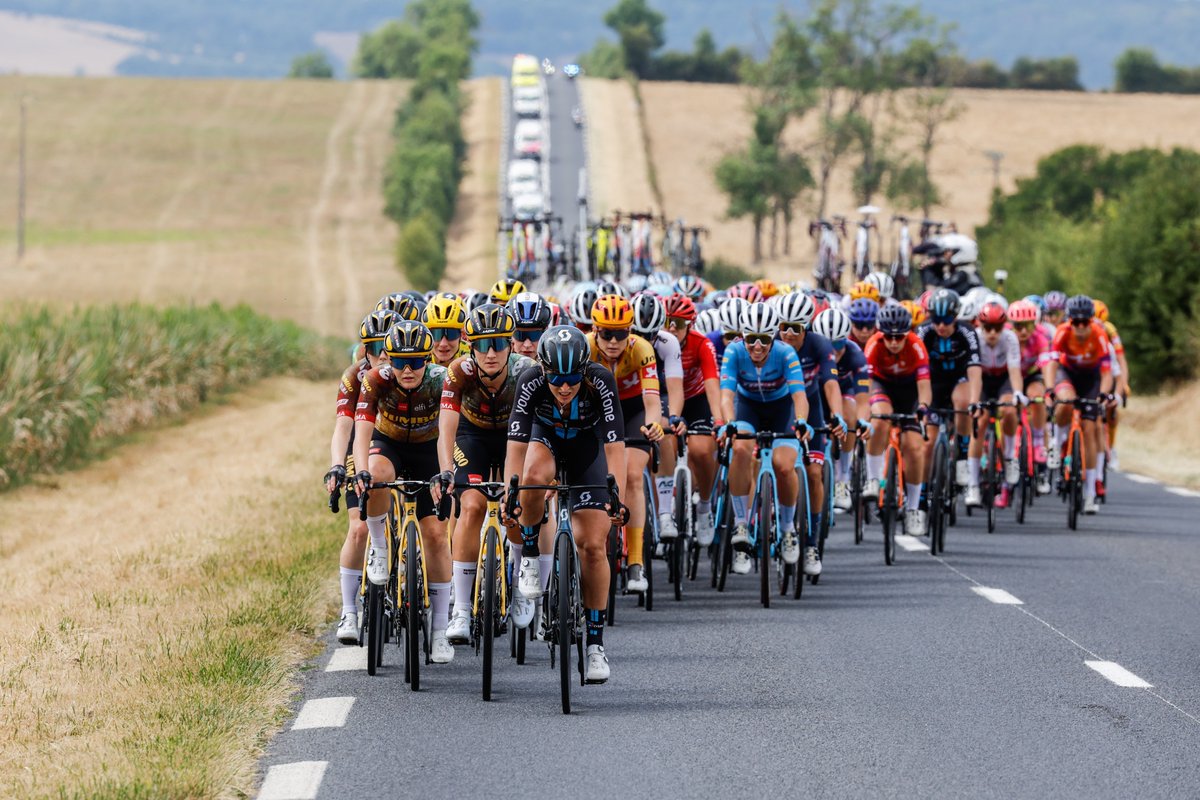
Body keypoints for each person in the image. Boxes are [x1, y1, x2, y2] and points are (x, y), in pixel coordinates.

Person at [504, 326, 627, 683]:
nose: (563, 387)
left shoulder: (600, 380)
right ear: (542, 369)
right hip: (547, 443)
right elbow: (515, 444)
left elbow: (614, 445)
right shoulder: (529, 381)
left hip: (588, 450)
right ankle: (529, 553)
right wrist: (513, 492)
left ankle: (595, 644)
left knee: (592, 545)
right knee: (531, 474)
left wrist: (615, 495)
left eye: (572, 378)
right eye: (556, 378)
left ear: (584, 370)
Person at [431, 303, 538, 644]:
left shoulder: (528, 370)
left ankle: (521, 586)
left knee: (514, 509)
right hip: (472, 437)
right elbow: (446, 428)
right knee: (473, 507)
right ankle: (461, 609)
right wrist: (446, 471)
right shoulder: (457, 372)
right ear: (470, 345)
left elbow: (539, 428)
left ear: (510, 343)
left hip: (515, 438)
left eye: (498, 344)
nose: (490, 353)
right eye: (482, 345)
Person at [352, 321, 454, 664]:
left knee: (437, 536)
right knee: (377, 474)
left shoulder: (442, 380)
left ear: (428, 359)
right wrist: (361, 469)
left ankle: (440, 630)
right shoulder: (376, 380)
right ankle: (379, 547)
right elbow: (362, 429)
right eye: (398, 362)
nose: (407, 370)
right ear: (388, 360)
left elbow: (448, 434)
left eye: (415, 362)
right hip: (389, 443)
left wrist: (444, 472)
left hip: (429, 449)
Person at [719, 303, 811, 575]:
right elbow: (726, 395)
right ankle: (741, 523)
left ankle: (787, 528)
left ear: (774, 338)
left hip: (782, 409)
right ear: (742, 337)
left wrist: (802, 421)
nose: (757, 346)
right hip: (748, 409)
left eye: (764, 340)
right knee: (741, 448)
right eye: (751, 339)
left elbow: (799, 396)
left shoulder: (786, 352)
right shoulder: (734, 351)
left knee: (784, 466)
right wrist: (729, 424)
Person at [325, 309, 397, 644]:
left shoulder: (412, 372)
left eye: (388, 346)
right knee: (357, 529)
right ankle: (349, 613)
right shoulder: (355, 376)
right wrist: (338, 464)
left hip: (401, 446)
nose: (383, 355)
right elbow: (343, 428)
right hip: (363, 448)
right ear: (364, 350)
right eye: (374, 348)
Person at [587, 295, 665, 593]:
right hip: (595, 412)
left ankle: (635, 563)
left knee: (632, 475)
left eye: (621, 333)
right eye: (606, 333)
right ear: (595, 329)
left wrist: (655, 422)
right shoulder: (585, 347)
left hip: (632, 413)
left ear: (630, 331)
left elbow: (652, 400)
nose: (613, 341)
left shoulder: (642, 349)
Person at [776, 292, 846, 576]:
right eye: (784, 327)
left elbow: (830, 382)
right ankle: (776, 519)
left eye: (797, 328)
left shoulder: (820, 344)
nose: (789, 333)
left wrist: (837, 415)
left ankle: (811, 543)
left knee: (814, 474)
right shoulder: (772, 344)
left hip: (811, 407)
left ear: (807, 328)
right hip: (780, 407)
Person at [863, 304, 932, 535]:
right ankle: (873, 478)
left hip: (909, 392)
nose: (893, 342)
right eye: (889, 336)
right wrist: (866, 414)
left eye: (899, 337)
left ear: (907, 334)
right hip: (883, 387)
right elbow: (867, 384)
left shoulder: (916, 345)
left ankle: (913, 509)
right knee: (879, 420)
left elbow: (924, 386)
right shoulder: (873, 344)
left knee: (914, 447)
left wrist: (923, 407)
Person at [1043, 295, 1115, 515]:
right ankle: (1056, 443)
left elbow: (1106, 373)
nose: (1081, 327)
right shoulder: (1062, 332)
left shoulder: (1100, 335)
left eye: (1086, 322)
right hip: (1068, 374)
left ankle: (1091, 493)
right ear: (1070, 320)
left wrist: (1103, 394)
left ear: (1092, 321)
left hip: (1091, 378)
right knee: (1065, 401)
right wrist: (1048, 389)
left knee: (1091, 429)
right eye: (1077, 322)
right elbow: (1052, 364)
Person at [662, 294, 724, 546]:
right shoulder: (658, 342)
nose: (672, 328)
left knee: (701, 450)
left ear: (691, 324)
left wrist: (719, 420)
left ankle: (705, 507)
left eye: (679, 322)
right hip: (667, 397)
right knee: (666, 442)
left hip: (697, 399)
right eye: (668, 321)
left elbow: (712, 384)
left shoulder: (702, 344)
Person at [631, 293, 686, 541]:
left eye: (649, 335)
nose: (643, 341)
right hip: (629, 396)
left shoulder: (668, 342)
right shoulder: (618, 342)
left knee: (662, 432)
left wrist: (673, 417)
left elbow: (675, 388)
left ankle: (664, 512)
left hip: (657, 393)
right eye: (637, 334)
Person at [917, 288, 981, 490]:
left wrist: (974, 401)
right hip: (933, 383)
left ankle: (962, 455)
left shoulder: (967, 332)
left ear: (955, 317)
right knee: (927, 444)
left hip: (958, 379)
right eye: (936, 320)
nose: (941, 326)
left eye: (946, 321)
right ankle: (922, 492)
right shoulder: (924, 331)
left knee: (963, 403)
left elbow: (975, 369)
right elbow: (917, 370)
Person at [967, 301, 1026, 509]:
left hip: (1002, 380)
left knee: (1009, 410)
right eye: (987, 328)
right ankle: (973, 483)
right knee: (979, 420)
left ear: (1004, 327)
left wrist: (1018, 393)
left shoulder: (1010, 338)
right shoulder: (974, 337)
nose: (992, 333)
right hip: (981, 379)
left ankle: (1009, 457)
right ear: (981, 325)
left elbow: (1014, 369)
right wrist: (974, 400)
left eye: (997, 328)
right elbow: (972, 372)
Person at [812, 307, 870, 511]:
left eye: (838, 344)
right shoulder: (807, 349)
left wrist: (862, 421)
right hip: (815, 393)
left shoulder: (855, 354)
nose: (833, 351)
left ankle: (843, 479)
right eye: (827, 344)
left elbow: (863, 399)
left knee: (850, 413)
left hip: (844, 393)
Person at [1009, 299, 1054, 494]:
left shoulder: (1041, 337)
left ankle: (1038, 446)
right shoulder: (1008, 337)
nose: (1023, 331)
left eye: (1027, 326)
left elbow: (1046, 365)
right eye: (1019, 326)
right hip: (1011, 376)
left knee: (1037, 397)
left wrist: (1049, 391)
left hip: (1033, 375)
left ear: (1034, 324)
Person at [423, 295, 468, 367]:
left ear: (461, 335)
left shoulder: (471, 357)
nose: (443, 344)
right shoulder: (419, 360)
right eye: (436, 335)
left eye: (451, 334)